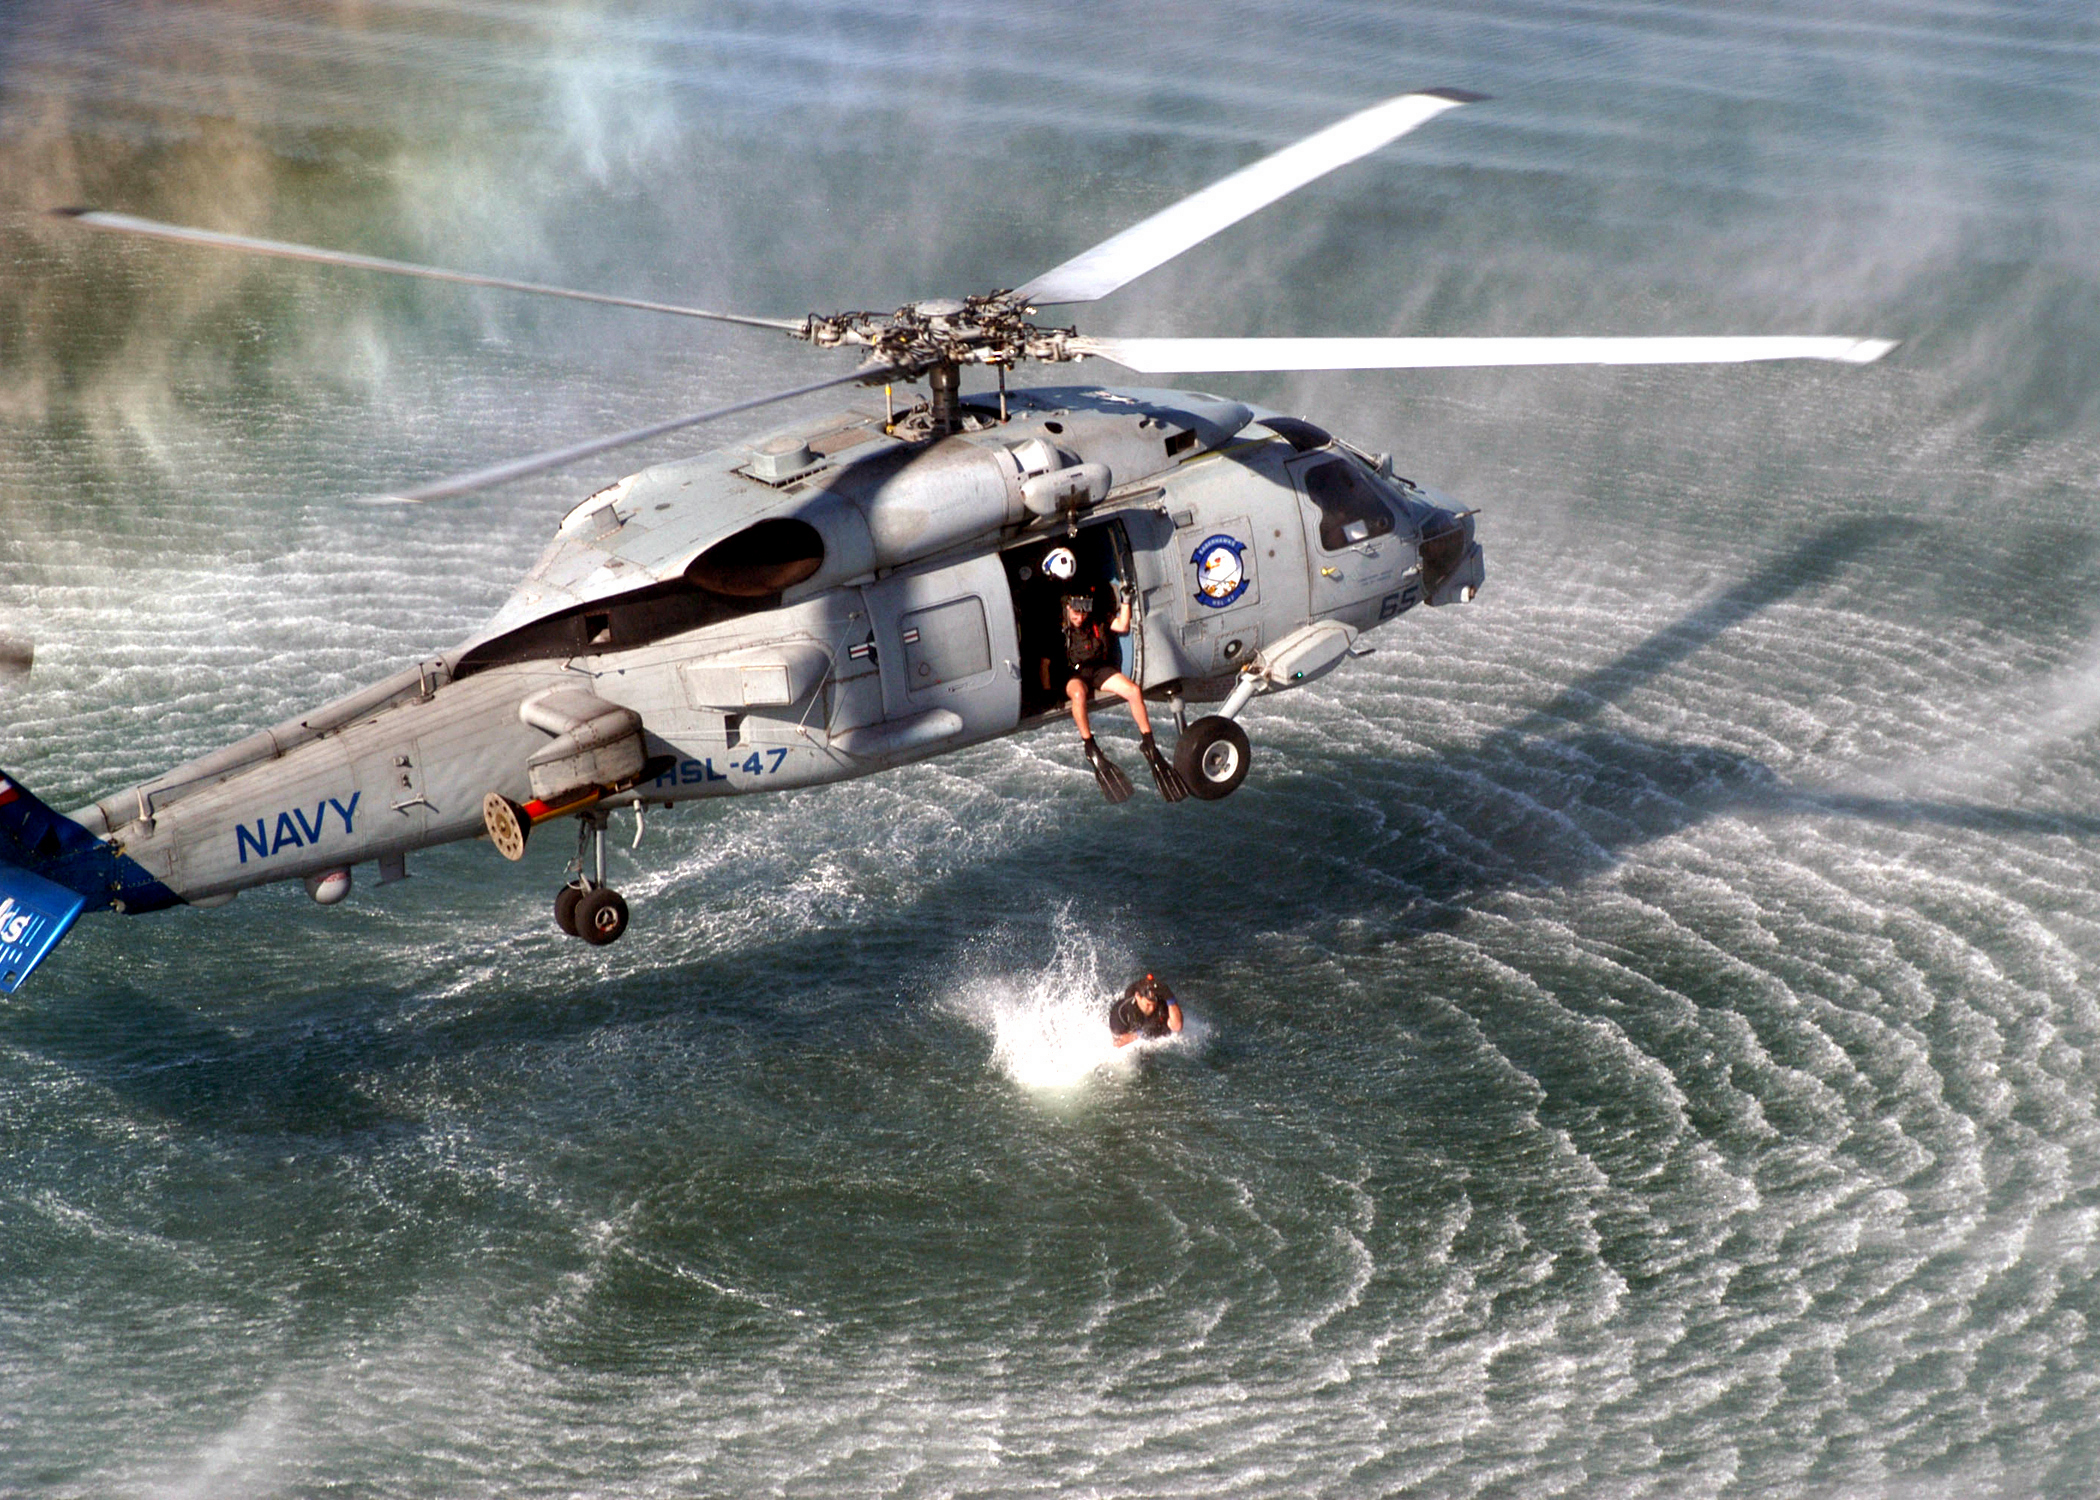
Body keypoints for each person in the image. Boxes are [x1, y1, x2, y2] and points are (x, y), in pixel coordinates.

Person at [1045, 589, 1187, 803]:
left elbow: (1122, 626)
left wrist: (1126, 601)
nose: (1079, 618)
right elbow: (1044, 664)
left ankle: (1149, 744)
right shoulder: (1059, 627)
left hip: (1098, 670)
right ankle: (1090, 745)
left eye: (1083, 613)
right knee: (1078, 694)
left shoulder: (1098, 619)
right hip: (1074, 674)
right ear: (1067, 608)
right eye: (1075, 613)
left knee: (1133, 691)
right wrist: (1049, 693)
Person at [1109, 973, 1182, 1047]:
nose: (1152, 1008)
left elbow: (1177, 1027)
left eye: (1154, 1004)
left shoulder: (1160, 1004)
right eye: (1148, 1004)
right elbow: (1117, 1044)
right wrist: (1136, 1035)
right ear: (1138, 997)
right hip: (1131, 1027)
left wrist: (1170, 998)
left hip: (1153, 1029)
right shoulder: (1120, 1012)